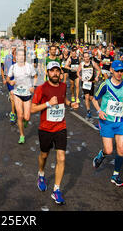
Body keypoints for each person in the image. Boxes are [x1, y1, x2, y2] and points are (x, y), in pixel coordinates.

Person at [31, 61, 79, 205]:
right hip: (45, 128)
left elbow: (62, 99)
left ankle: (56, 190)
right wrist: (47, 104)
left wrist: (70, 104)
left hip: (60, 127)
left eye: (57, 71)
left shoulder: (63, 86)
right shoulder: (41, 88)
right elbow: (32, 109)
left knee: (61, 158)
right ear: (47, 73)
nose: (55, 73)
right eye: (52, 71)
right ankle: (41, 173)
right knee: (44, 155)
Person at [92, 60, 123, 187]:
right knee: (109, 150)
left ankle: (115, 175)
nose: (119, 73)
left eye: (121, 71)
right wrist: (99, 111)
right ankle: (102, 154)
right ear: (111, 70)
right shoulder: (105, 85)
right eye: (117, 71)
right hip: (107, 121)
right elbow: (95, 99)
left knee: (121, 148)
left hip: (120, 121)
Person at [7, 48, 38, 144]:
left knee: (27, 117)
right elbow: (8, 78)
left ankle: (25, 121)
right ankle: (22, 135)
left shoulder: (29, 67)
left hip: (27, 94)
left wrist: (33, 86)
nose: (21, 57)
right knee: (20, 115)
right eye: (19, 55)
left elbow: (35, 77)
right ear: (16, 57)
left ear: (25, 57)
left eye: (22, 55)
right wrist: (10, 81)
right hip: (17, 93)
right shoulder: (13, 67)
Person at [77, 52, 101, 121]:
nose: (86, 58)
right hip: (84, 83)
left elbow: (99, 70)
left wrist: (97, 77)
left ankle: (92, 108)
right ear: (83, 58)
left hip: (91, 82)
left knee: (91, 97)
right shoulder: (81, 64)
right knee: (87, 97)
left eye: (87, 57)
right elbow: (78, 72)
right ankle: (88, 111)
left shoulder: (92, 63)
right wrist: (80, 76)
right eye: (85, 57)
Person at [2, 45, 17, 124]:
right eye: (15, 54)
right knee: (13, 96)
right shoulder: (8, 60)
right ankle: (13, 114)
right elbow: (3, 69)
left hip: (19, 81)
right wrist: (4, 78)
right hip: (10, 81)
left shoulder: (22, 62)